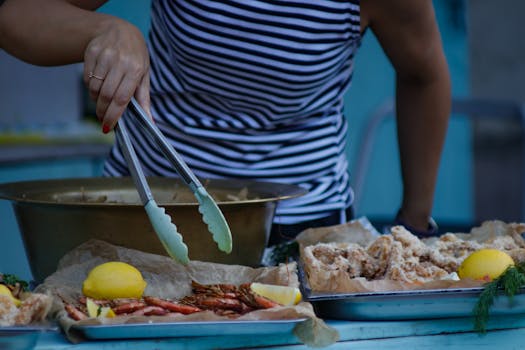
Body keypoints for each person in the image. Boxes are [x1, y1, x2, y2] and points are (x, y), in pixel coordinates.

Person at [0, 0, 450, 244]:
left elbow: (423, 75)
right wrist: (103, 30)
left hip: (306, 231)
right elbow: (17, 14)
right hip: (148, 214)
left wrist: (414, 224)